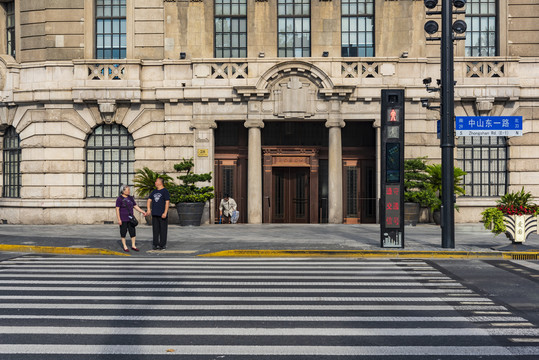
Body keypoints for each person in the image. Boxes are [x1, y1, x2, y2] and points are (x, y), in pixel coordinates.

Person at [115, 185, 147, 252]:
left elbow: (135, 206)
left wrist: (142, 211)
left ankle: (133, 245)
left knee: (132, 231)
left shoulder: (131, 198)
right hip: (123, 218)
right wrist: (119, 219)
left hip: (131, 218)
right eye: (128, 190)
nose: (129, 191)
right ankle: (125, 246)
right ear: (123, 191)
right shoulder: (119, 199)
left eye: (129, 190)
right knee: (123, 232)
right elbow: (117, 209)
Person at [147, 177, 170, 250]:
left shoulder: (165, 191)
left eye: (156, 181)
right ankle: (155, 244)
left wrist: (165, 212)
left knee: (163, 230)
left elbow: (167, 202)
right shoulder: (154, 191)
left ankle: (162, 245)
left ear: (160, 182)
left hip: (162, 214)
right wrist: (148, 209)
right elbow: (149, 200)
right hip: (155, 213)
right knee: (155, 230)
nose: (155, 183)